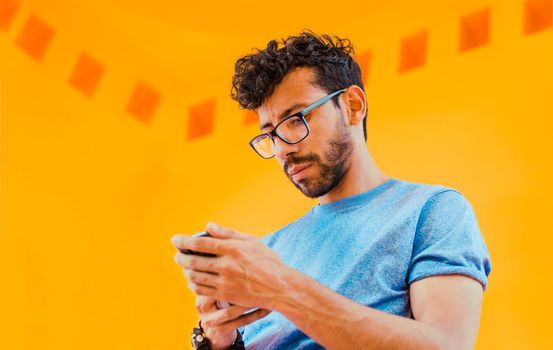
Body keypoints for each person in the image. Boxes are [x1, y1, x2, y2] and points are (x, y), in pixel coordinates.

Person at [171, 31, 492, 349]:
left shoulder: (431, 211)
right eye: (270, 134)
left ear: (352, 105)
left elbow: (447, 344)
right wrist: (218, 339)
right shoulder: (267, 252)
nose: (282, 150)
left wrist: (281, 286)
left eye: (296, 119)